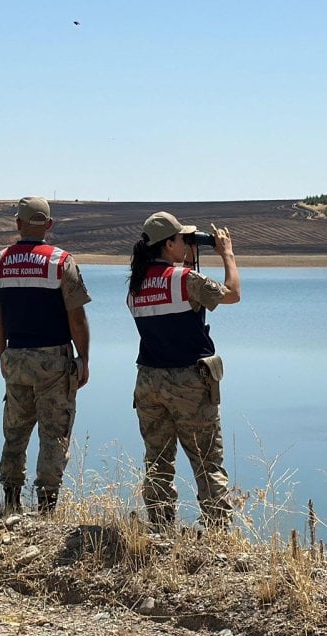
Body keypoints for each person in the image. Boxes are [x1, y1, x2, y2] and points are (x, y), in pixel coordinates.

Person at [126, 211, 241, 531]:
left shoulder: (136, 287)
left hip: (148, 380)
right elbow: (232, 293)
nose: (187, 244)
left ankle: (161, 527)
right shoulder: (185, 280)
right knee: (207, 461)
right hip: (188, 382)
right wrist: (227, 255)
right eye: (183, 239)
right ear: (169, 244)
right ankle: (219, 530)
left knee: (158, 461)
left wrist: (187, 259)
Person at [0, 196, 91, 514]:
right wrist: (83, 358)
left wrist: (3, 354)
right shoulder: (61, 261)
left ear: (17, 223)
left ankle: (11, 502)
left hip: (15, 357)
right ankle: (46, 507)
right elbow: (76, 317)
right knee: (54, 433)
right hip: (54, 361)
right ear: (48, 225)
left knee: (15, 432)